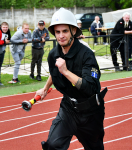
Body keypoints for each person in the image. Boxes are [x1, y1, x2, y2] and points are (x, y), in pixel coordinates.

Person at [35, 8, 107, 150]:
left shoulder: (86, 54)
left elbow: (90, 87)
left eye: (65, 31)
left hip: (91, 111)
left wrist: (66, 72)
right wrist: (44, 89)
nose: (61, 36)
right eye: (57, 32)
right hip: (68, 109)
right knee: (52, 145)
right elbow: (54, 72)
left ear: (73, 31)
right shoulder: (53, 55)